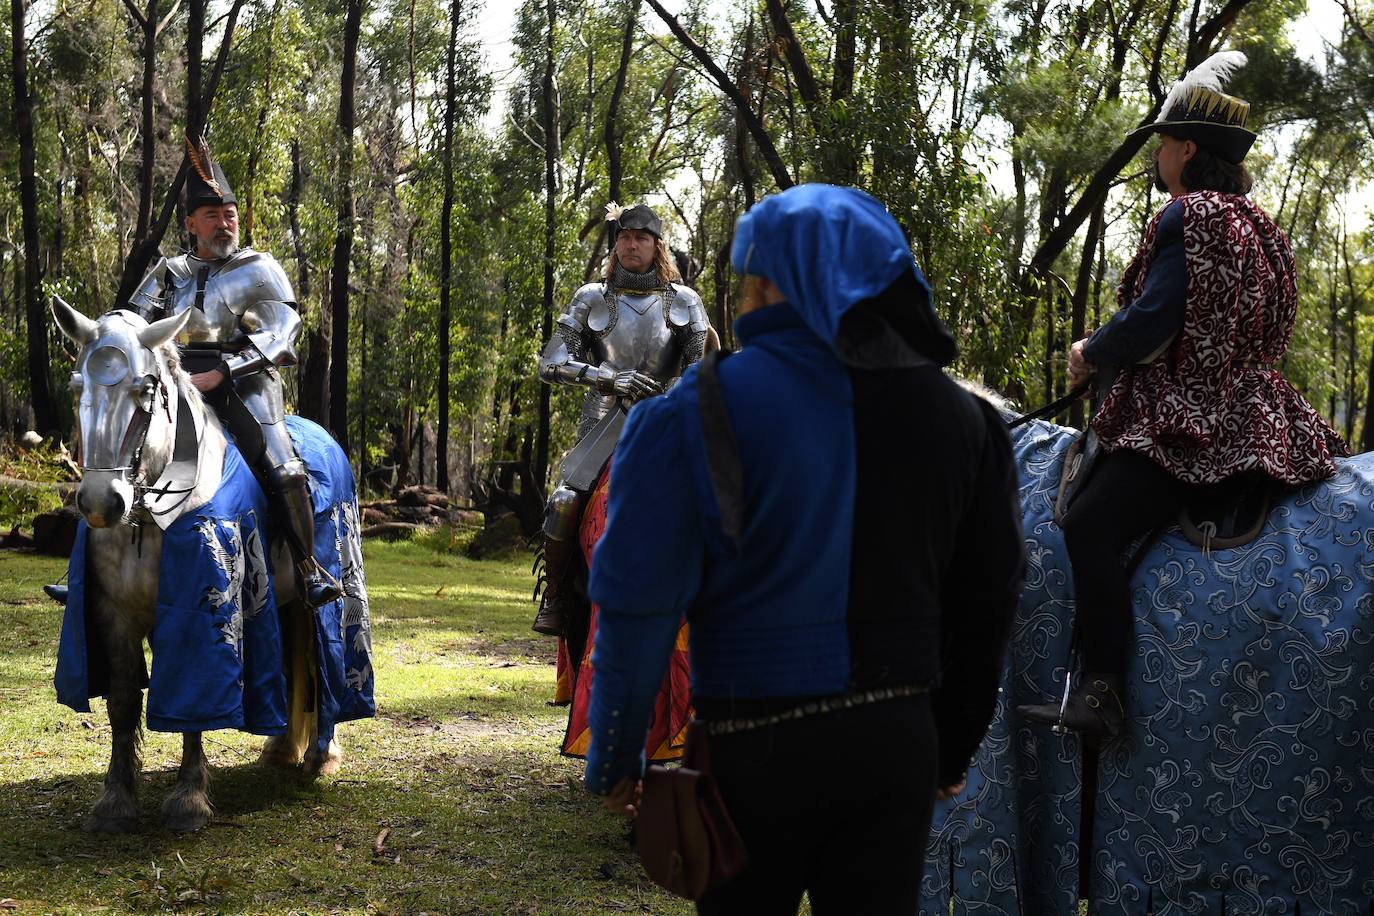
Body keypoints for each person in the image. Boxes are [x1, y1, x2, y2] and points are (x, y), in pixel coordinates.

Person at [581, 184, 1024, 913]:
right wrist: (952, 741)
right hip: (896, 744)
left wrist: (619, 754)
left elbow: (637, 601)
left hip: (751, 749)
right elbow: (990, 598)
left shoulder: (690, 409)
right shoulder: (967, 420)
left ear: (767, 283)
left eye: (750, 276)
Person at [1018, 52, 1348, 737]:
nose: (1160, 153)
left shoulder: (1188, 215)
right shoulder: (1261, 226)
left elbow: (1156, 319)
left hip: (1195, 417)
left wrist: (1090, 351)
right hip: (1259, 408)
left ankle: (1102, 691)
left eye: (1164, 142)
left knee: (1087, 525)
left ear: (1187, 149)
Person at [46, 132, 338, 608]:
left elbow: (282, 333)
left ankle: (308, 568)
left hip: (246, 385)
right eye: (213, 217)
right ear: (191, 224)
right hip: (171, 384)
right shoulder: (167, 272)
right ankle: (80, 573)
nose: (225, 225)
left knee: (283, 466)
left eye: (231, 216)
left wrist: (223, 373)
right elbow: (135, 326)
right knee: (116, 457)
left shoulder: (259, 268)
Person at [531, 203, 708, 637]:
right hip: (604, 423)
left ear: (657, 246)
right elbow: (550, 363)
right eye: (625, 236)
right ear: (617, 243)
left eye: (641, 238)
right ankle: (554, 597)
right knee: (563, 503)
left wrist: (669, 391)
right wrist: (610, 377)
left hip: (666, 422)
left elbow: (702, 369)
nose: (632, 244)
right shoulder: (593, 297)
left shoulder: (684, 302)